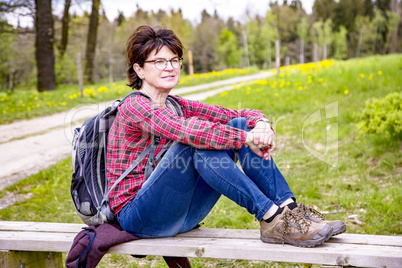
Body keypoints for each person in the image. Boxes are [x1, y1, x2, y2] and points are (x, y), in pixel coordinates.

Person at [106, 25, 346, 248]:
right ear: (139, 69)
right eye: (159, 61)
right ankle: (270, 217)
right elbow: (188, 132)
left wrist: (261, 123)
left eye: (173, 60)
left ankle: (289, 211)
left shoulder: (176, 105)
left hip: (183, 215)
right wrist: (245, 138)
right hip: (139, 217)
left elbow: (238, 114)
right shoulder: (134, 107)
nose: (169, 67)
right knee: (195, 144)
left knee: (239, 124)